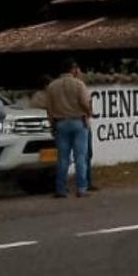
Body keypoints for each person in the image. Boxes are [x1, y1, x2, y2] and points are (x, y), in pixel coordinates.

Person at [45, 58, 92, 197]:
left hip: (61, 122)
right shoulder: (79, 84)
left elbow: (49, 109)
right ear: (72, 69)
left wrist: (52, 125)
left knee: (63, 158)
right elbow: (84, 102)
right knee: (80, 157)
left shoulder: (52, 86)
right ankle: (82, 188)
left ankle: (60, 189)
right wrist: (88, 112)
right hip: (78, 121)